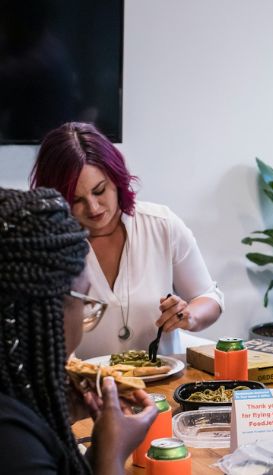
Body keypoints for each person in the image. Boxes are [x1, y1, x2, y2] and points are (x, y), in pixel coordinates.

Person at [29, 122, 224, 358]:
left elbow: (209, 298)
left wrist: (188, 316)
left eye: (99, 190)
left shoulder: (160, 224)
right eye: (76, 200)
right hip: (84, 388)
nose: (93, 207)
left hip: (162, 382)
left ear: (117, 179)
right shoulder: (45, 245)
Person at [0, 186, 158, 474]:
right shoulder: (12, 444)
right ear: (47, 312)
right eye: (84, 302)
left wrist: (94, 446)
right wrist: (113, 455)